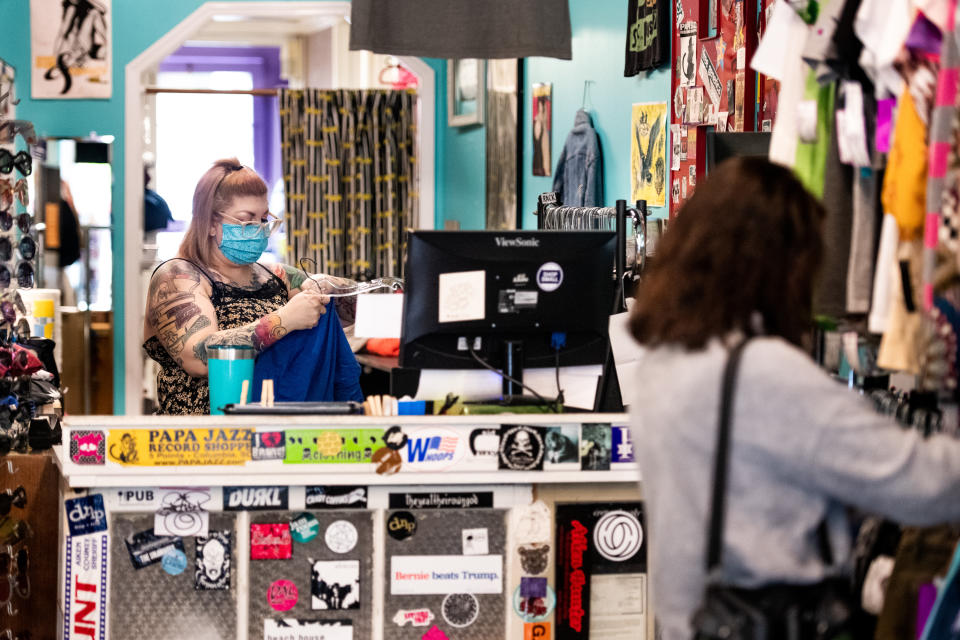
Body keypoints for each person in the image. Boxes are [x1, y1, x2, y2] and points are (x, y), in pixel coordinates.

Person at [628, 157, 960, 640]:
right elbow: (919, 482)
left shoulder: (665, 363)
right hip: (779, 619)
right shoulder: (762, 376)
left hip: (696, 622)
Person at [143, 158, 342, 415]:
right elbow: (199, 358)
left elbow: (345, 308)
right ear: (211, 223)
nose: (259, 230)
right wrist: (283, 320)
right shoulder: (177, 277)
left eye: (263, 219)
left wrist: (333, 286)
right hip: (196, 440)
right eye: (247, 221)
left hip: (268, 432)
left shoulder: (275, 275)